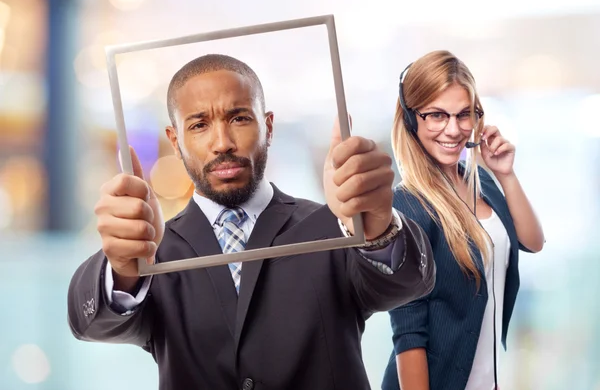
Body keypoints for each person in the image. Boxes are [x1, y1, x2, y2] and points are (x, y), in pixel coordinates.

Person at [67, 54, 435, 390]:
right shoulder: (153, 252)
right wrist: (121, 269)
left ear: (268, 127)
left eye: (239, 118)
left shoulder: (335, 227)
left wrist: (377, 227)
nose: (222, 142)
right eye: (199, 125)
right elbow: (91, 323)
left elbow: (406, 284)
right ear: (175, 141)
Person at [380, 50, 545, 390]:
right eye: (437, 115)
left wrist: (506, 175)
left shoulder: (479, 181)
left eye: (463, 114)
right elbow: (408, 331)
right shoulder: (407, 206)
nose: (453, 130)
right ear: (413, 119)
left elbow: (532, 241)